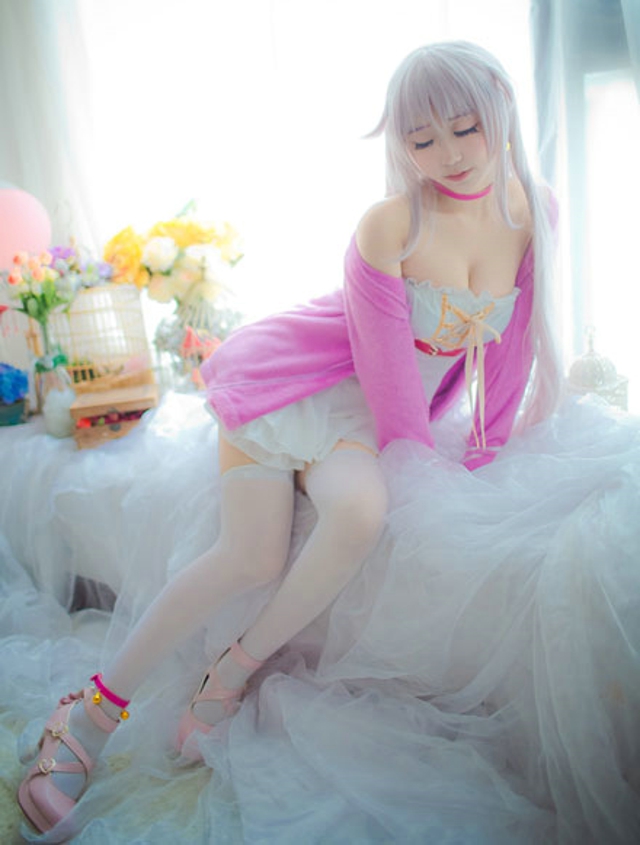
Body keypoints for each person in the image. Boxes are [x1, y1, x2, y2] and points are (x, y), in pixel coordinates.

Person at [15, 41, 639, 843]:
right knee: (249, 555)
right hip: (293, 382)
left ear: (503, 110)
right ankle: (88, 716)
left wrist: (484, 452)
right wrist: (431, 477)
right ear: (399, 145)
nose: (450, 155)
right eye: (422, 140)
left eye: (466, 128)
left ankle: (228, 674)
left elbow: (512, 347)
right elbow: (388, 382)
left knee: (359, 514)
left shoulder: (533, 209)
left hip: (363, 417)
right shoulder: (391, 222)